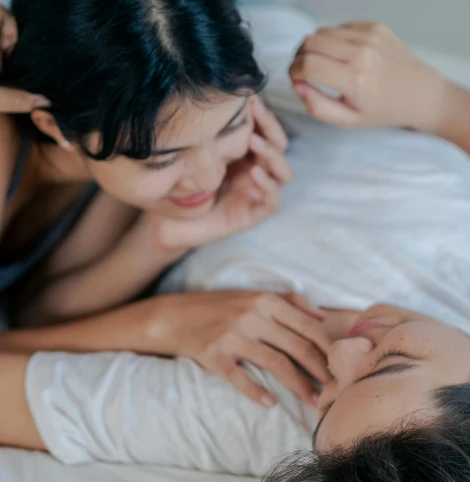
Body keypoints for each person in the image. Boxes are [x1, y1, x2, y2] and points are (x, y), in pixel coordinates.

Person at [3, 8, 470, 482]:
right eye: (391, 361)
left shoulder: (256, 404)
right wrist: (435, 98)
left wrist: (164, 317)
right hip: (284, 60)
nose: (339, 352)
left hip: (139, 85)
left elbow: (23, 350)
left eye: (325, 404)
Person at [0, 0, 331, 408]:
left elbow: (35, 316)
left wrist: (163, 238)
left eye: (232, 124)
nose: (209, 177)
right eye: (163, 159)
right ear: (52, 125)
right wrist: (160, 325)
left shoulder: (114, 158)